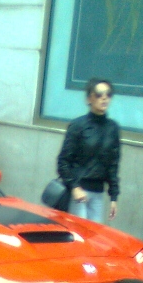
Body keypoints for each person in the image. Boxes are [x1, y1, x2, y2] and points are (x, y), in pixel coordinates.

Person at [57, 78, 120, 222]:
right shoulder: (78, 125)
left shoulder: (113, 128)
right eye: (99, 94)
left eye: (108, 94)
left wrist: (114, 197)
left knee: (93, 238)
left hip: (98, 192)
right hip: (79, 191)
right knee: (79, 235)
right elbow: (63, 161)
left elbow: (113, 164)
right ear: (89, 99)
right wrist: (74, 187)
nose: (104, 98)